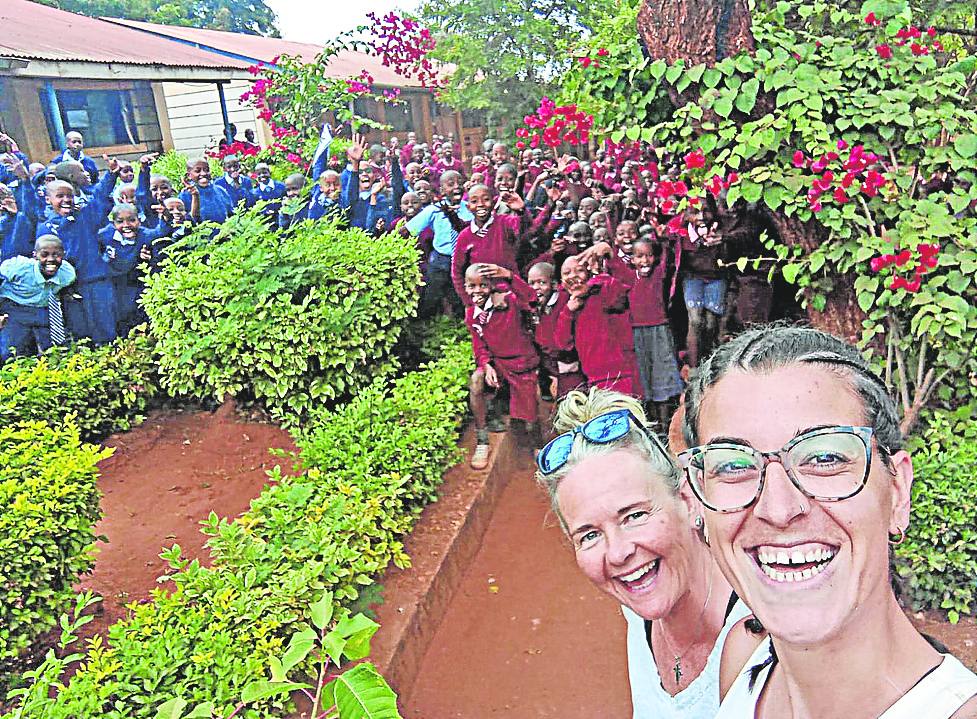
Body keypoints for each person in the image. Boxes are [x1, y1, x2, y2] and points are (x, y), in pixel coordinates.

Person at [678, 325, 977, 717]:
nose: (779, 509)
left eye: (825, 457)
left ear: (897, 491)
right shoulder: (745, 658)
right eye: (734, 464)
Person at [535, 387, 751, 718]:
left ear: (688, 500)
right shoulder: (639, 610)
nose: (618, 554)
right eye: (590, 535)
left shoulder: (769, 642)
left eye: (634, 515)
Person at [464, 262, 540, 470]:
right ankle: (482, 440)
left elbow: (531, 298)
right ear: (465, 287)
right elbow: (479, 346)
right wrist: (486, 364)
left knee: (529, 416)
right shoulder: (471, 313)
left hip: (520, 363)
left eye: (483, 285)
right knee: (476, 381)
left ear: (492, 286)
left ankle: (538, 446)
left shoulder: (509, 301)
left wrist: (508, 276)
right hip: (498, 365)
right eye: (472, 286)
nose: (478, 291)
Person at [553, 255, 639, 396]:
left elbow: (624, 288)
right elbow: (562, 344)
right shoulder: (566, 306)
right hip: (593, 378)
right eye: (567, 272)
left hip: (622, 372)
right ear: (561, 281)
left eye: (579, 270)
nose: (573, 275)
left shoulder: (602, 291)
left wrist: (590, 285)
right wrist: (568, 311)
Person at [0, 235, 75, 361]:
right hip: (14, 308)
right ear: (35, 255)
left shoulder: (67, 274)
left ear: (63, 254)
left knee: (56, 352)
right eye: (44, 255)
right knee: (10, 354)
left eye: (56, 255)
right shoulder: (18, 268)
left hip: (43, 310)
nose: (51, 259)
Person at [179, 158, 233, 224]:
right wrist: (195, 195)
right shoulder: (185, 195)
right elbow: (188, 222)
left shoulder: (220, 190)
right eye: (198, 171)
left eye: (206, 170)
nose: (203, 173)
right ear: (189, 175)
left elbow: (231, 215)